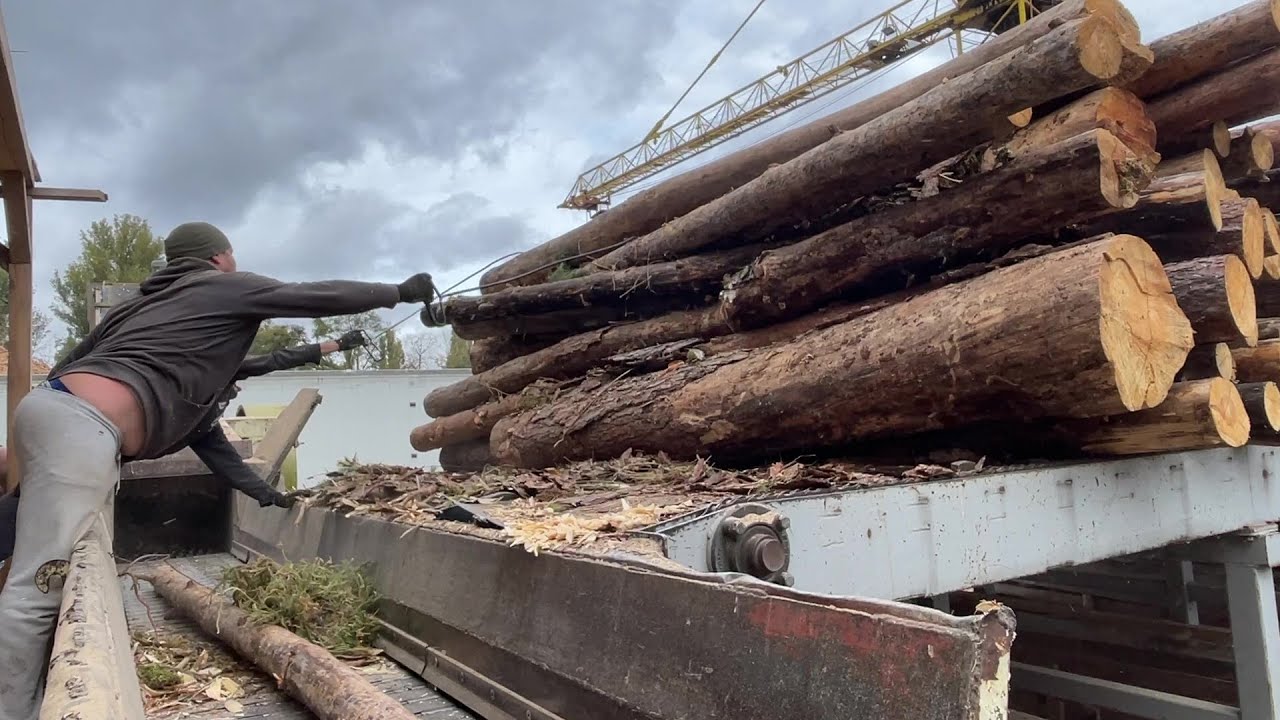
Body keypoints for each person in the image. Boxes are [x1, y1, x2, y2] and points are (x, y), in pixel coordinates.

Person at [0, 221, 435, 719]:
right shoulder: (222, 286)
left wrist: (268, 495)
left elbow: (223, 449)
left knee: (18, 522)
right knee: (41, 585)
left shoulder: (147, 314)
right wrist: (397, 292)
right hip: (82, 427)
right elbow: (309, 295)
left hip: (52, 408)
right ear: (219, 256)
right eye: (232, 254)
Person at [0, 330, 370, 567]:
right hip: (77, 432)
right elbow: (271, 361)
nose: (235, 389)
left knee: (32, 512)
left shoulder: (199, 425)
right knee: (30, 511)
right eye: (230, 388)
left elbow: (230, 467)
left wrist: (270, 496)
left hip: (96, 462)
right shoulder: (191, 381)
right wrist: (330, 345)